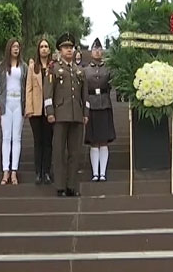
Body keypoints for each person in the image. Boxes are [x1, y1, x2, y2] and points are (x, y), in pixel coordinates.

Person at [44, 32, 89, 197]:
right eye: (65, 47)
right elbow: (48, 93)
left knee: (75, 152)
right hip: (60, 114)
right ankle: (60, 186)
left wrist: (85, 112)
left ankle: (71, 186)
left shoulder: (79, 70)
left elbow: (85, 95)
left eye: (71, 47)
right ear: (59, 50)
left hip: (76, 115)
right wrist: (49, 112)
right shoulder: (54, 68)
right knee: (59, 152)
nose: (69, 50)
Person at [0, 39, 28, 185]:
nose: (16, 49)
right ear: (9, 48)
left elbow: (27, 85)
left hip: (19, 103)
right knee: (6, 137)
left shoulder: (24, 66)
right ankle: (5, 171)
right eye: (13, 47)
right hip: (6, 102)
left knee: (17, 138)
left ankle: (14, 171)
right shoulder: (2, 66)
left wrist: (28, 105)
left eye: (18, 47)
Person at [84, 38, 116, 182]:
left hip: (104, 104)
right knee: (93, 141)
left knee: (103, 140)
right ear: (91, 52)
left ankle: (102, 173)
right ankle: (94, 173)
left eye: (99, 49)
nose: (97, 51)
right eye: (95, 49)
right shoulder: (85, 70)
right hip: (91, 105)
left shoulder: (108, 68)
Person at [25, 38, 54, 185]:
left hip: (49, 110)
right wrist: (29, 108)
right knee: (38, 142)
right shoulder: (32, 67)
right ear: (38, 49)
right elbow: (28, 88)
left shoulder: (53, 66)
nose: (43, 49)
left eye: (46, 46)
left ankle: (47, 172)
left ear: (49, 50)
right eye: (41, 46)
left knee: (48, 142)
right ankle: (38, 172)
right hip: (36, 110)